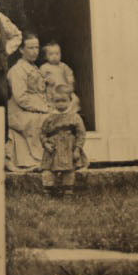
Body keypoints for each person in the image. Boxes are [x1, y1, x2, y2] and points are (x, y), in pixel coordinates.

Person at [36, 40, 87, 192]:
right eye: (51, 54)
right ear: (46, 56)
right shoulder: (44, 68)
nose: (54, 56)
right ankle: (50, 187)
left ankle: (69, 117)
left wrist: (69, 86)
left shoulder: (64, 67)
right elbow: (39, 84)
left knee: (74, 101)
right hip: (52, 95)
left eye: (57, 53)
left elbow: (71, 79)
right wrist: (45, 81)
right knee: (51, 108)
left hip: (65, 93)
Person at [5, 34, 54, 172]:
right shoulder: (17, 70)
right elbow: (21, 98)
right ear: (21, 50)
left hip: (34, 108)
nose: (35, 51)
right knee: (46, 120)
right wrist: (43, 108)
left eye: (37, 47)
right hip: (20, 111)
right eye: (30, 48)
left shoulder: (35, 68)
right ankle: (40, 159)